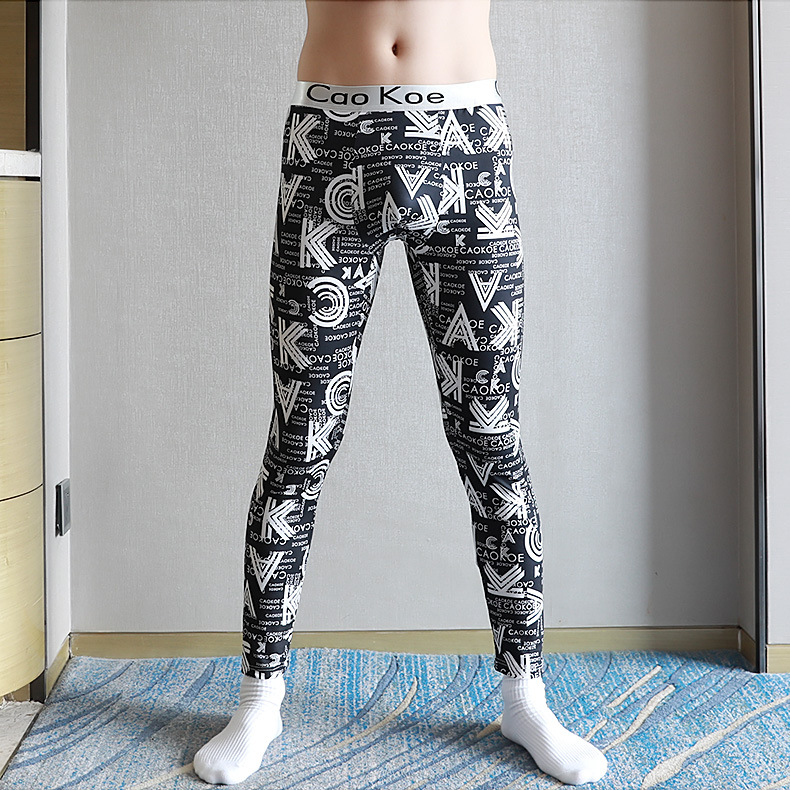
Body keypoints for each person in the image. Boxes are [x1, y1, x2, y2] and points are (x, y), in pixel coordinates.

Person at [193, 0, 608, 785]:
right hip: (329, 141)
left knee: (491, 439)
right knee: (300, 438)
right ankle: (259, 698)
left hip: (466, 146)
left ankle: (526, 697)